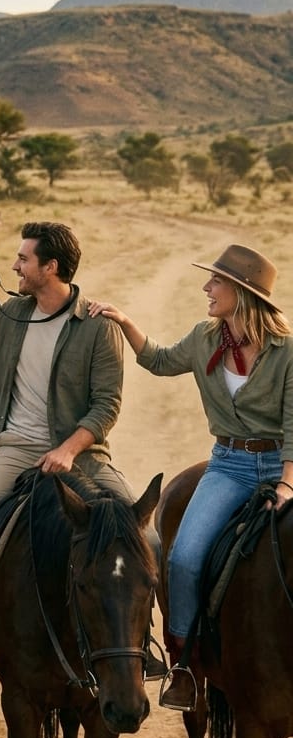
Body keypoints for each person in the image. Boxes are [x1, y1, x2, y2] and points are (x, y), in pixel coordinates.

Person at [0, 221, 164, 676]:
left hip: (81, 453)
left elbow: (107, 405)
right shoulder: (12, 314)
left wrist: (68, 449)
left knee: (150, 539)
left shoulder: (97, 326)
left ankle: (145, 639)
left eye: (23, 259)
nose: (14, 266)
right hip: (14, 447)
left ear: (51, 267)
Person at [89, 243, 293, 711]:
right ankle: (184, 663)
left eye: (216, 281)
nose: (207, 287)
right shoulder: (205, 338)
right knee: (182, 558)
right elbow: (159, 360)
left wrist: (286, 483)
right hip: (229, 465)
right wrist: (124, 321)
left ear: (241, 292)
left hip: (282, 464)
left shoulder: (287, 352)